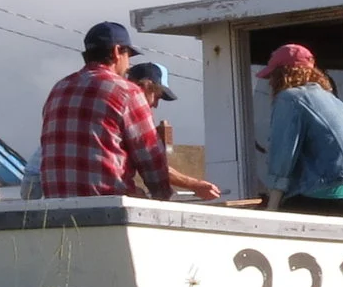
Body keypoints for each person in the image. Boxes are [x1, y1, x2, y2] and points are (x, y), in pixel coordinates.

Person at [39, 21, 174, 202]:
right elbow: (151, 159)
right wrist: (162, 197)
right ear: (117, 51)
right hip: (107, 209)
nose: (129, 64)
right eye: (129, 54)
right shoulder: (126, 91)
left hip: (56, 209)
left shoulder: (59, 89)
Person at [259, 43, 343, 218]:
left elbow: (283, 157)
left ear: (281, 75)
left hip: (327, 196)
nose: (270, 83)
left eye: (272, 76)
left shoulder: (290, 98)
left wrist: (272, 207)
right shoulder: (333, 101)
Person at [127, 61, 221, 201]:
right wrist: (195, 185)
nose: (156, 105)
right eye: (156, 97)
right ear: (145, 87)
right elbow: (153, 165)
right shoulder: (134, 113)